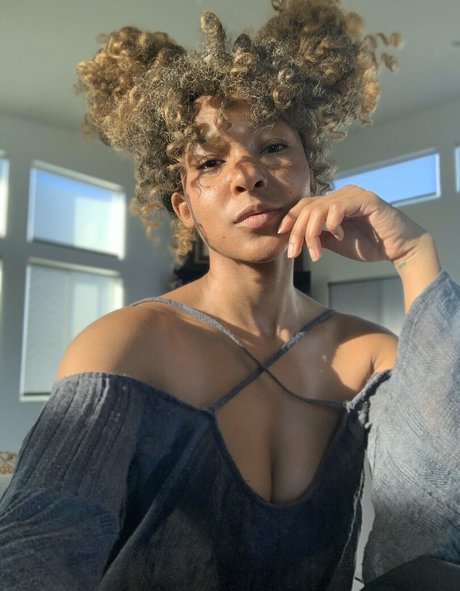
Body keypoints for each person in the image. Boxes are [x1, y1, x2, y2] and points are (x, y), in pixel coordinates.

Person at [0, 1, 459, 589]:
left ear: (312, 176)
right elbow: (40, 544)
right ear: (184, 207)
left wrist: (415, 257)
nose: (247, 174)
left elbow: (434, 529)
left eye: (274, 148)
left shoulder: (370, 355)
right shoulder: (124, 347)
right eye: (212, 162)